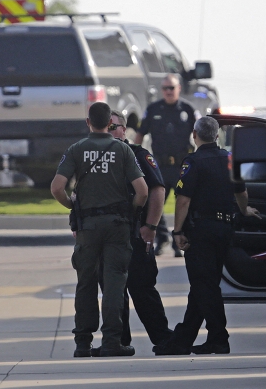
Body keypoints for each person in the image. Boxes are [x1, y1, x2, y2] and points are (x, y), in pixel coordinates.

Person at [51, 102, 148, 358]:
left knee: (85, 283)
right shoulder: (123, 151)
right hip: (117, 225)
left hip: (87, 227)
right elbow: (143, 191)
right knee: (115, 281)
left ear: (88, 122)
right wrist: (131, 211)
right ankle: (112, 341)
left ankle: (82, 342)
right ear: (110, 124)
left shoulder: (76, 150)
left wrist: (72, 206)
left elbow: (57, 187)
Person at [155, 116, 243, 356]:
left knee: (205, 286)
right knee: (203, 286)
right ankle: (182, 340)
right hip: (226, 230)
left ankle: (218, 338)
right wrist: (246, 211)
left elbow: (183, 201)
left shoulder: (193, 162)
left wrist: (177, 231)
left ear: (195, 134)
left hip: (201, 231)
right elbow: (241, 191)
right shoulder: (229, 159)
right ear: (217, 136)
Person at [100, 111, 171, 352]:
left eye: (114, 126)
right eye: (106, 126)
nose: (110, 131)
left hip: (136, 233)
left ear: (124, 129)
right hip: (107, 235)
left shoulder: (139, 155)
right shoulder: (94, 157)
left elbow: (157, 190)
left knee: (141, 287)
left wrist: (150, 227)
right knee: (113, 290)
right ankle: (119, 340)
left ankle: (162, 338)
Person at [134, 74, 199, 255]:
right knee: (155, 201)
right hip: (160, 165)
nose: (168, 91)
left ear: (179, 88)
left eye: (172, 88)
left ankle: (179, 241)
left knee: (183, 202)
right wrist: (134, 155)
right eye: (165, 88)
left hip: (182, 165)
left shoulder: (188, 109)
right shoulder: (154, 109)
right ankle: (162, 238)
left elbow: (199, 134)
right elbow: (140, 134)